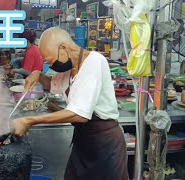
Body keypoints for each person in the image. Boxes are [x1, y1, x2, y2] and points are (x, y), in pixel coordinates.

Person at [12, 27, 128, 180]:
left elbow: (80, 114)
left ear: (63, 48)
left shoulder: (94, 61)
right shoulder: (70, 67)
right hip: (83, 141)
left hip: (104, 145)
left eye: (50, 61)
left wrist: (29, 120)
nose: (51, 65)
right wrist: (38, 75)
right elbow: (52, 85)